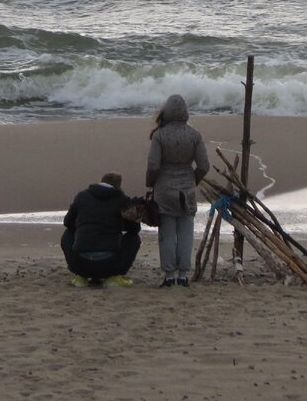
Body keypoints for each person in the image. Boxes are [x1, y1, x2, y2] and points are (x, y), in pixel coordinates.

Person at [145, 94, 209, 287]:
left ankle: (168, 275)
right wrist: (193, 180)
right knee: (186, 233)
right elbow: (204, 165)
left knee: (167, 234)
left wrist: (150, 183)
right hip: (187, 189)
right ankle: (183, 275)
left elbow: (154, 165)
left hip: (164, 189)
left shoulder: (159, 135)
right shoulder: (194, 135)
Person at [61, 172, 141, 288]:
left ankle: (80, 276)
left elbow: (68, 223)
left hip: (80, 263)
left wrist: (84, 226)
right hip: (110, 264)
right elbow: (134, 229)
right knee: (134, 238)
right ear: (118, 186)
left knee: (68, 234)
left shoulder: (82, 196)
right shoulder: (123, 200)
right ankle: (113, 276)